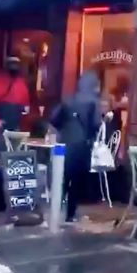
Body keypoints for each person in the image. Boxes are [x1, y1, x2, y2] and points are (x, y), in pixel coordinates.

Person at [0, 56, 30, 218]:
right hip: (0, 129)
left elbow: (25, 105)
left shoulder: (20, 84)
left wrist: (24, 111)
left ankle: (6, 199)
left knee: (13, 163)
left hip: (13, 129)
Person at [50, 71, 102, 222]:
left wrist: (65, 130)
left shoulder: (68, 100)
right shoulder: (94, 102)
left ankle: (56, 209)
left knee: (62, 177)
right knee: (77, 181)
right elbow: (95, 124)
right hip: (82, 145)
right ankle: (70, 215)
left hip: (65, 143)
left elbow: (54, 120)